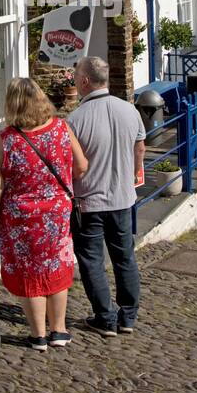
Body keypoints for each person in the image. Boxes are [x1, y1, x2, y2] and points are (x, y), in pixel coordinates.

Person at [0, 77, 88, 351]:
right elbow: (81, 166)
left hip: (21, 219)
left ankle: (38, 335)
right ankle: (59, 330)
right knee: (56, 267)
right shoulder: (61, 129)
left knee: (29, 273)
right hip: (55, 214)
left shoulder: (6, 139)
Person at [66, 56, 146, 337]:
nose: (74, 80)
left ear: (86, 81)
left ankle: (106, 317)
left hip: (88, 202)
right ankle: (129, 316)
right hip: (122, 199)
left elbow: (73, 166)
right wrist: (132, 173)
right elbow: (140, 149)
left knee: (91, 261)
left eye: (76, 76)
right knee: (124, 257)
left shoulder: (74, 120)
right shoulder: (129, 111)